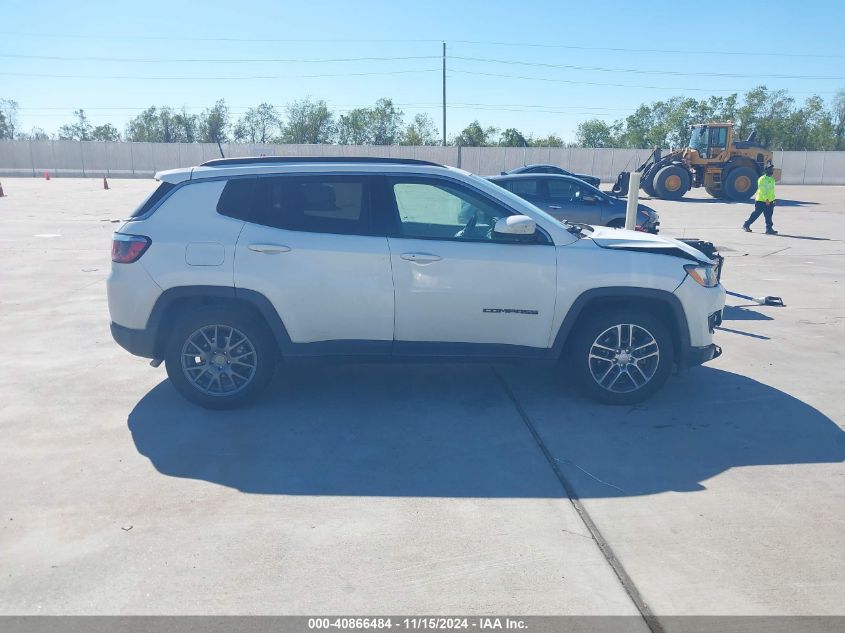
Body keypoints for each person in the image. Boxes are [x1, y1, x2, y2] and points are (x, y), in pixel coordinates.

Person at [743, 162, 778, 234]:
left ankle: (769, 229)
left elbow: (772, 190)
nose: (771, 170)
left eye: (772, 169)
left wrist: (774, 199)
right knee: (756, 214)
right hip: (761, 201)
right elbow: (762, 190)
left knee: (769, 215)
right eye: (770, 169)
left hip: (770, 201)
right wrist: (766, 199)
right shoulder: (762, 179)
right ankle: (746, 225)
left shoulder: (772, 179)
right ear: (766, 170)